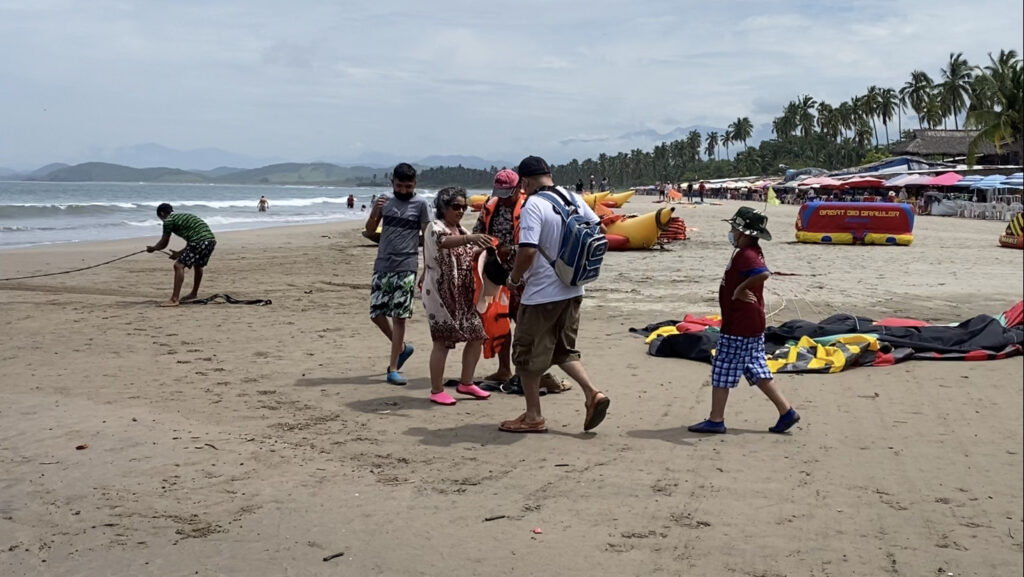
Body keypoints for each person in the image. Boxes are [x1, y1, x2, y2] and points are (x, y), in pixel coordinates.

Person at [499, 155, 610, 434]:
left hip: (541, 293)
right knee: (562, 349)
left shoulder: (533, 205)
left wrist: (513, 279)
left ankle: (533, 416)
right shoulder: (571, 197)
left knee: (525, 355)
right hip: (574, 287)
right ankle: (592, 393)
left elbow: (528, 250)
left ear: (523, 181)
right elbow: (602, 230)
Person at [688, 207, 799, 435]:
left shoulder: (747, 254)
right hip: (747, 324)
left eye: (733, 229)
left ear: (744, 233)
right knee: (757, 370)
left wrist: (739, 289)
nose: (731, 233)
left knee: (722, 369)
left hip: (740, 325)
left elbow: (763, 273)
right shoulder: (747, 251)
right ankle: (786, 411)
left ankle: (716, 419)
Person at [421, 187, 494, 405]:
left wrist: (485, 249)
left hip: (462, 293)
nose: (461, 211)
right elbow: (443, 242)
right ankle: (436, 390)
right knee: (442, 341)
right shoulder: (435, 227)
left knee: (477, 335)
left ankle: (466, 382)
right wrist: (471, 238)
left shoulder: (460, 229)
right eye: (456, 207)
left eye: (463, 207)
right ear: (443, 207)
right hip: (440, 293)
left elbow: (466, 253)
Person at [364, 163, 431, 385]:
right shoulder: (383, 201)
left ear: (415, 184)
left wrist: (428, 267)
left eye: (408, 186)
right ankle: (401, 348)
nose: (403, 190)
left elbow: (427, 236)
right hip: (383, 263)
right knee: (376, 313)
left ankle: (393, 368)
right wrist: (376, 212)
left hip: (407, 265)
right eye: (399, 185)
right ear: (392, 183)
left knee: (399, 316)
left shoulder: (421, 204)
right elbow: (371, 230)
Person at [145, 203, 216, 307]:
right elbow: (192, 238)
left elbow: (164, 243)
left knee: (178, 266)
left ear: (162, 214)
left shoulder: (168, 221)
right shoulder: (182, 217)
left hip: (200, 242)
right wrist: (179, 253)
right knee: (198, 265)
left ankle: (174, 299)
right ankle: (193, 294)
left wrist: (153, 248)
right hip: (210, 241)